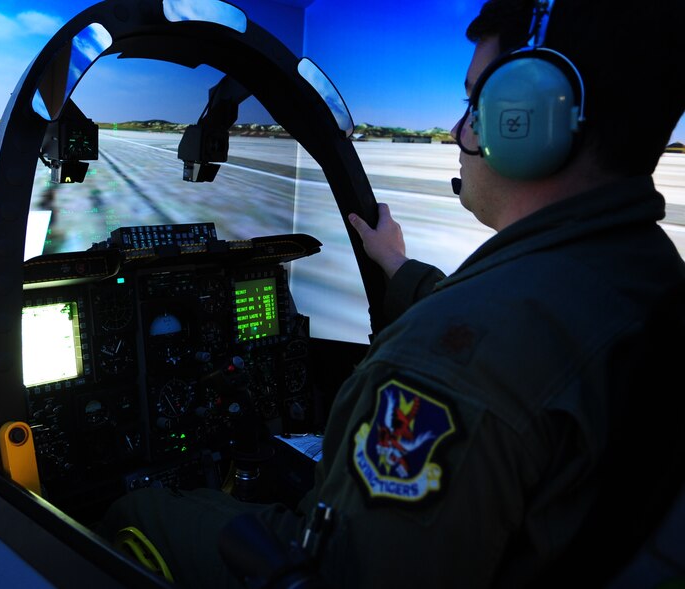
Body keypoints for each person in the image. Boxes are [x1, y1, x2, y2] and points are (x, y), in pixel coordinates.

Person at [103, 0, 685, 586]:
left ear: (530, 116)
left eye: (474, 106)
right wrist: (399, 268)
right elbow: (527, 334)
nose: (458, 133)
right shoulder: (646, 278)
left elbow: (341, 576)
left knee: (135, 511)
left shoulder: (442, 371)